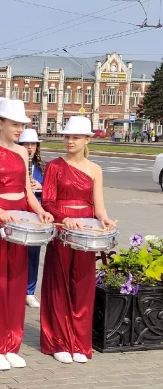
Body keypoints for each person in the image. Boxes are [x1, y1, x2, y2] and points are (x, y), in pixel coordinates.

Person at [0, 99, 54, 371]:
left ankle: (11, 342)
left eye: (22, 125)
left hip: (20, 220)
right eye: (15, 124)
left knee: (16, 283)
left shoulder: (21, 153)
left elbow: (27, 191)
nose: (20, 129)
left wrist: (40, 211)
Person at [40, 116, 116, 364]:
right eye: (67, 136)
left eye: (75, 137)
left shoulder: (95, 169)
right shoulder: (54, 166)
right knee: (59, 283)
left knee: (82, 285)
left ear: (87, 140)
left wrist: (105, 220)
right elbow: (48, 202)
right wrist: (64, 217)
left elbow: (99, 206)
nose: (69, 141)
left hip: (86, 231)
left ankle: (80, 343)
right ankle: (59, 341)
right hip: (63, 229)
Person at [17, 129, 46, 309]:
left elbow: (52, 192)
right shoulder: (13, 163)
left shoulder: (43, 167)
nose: (29, 148)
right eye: (26, 144)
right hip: (19, 213)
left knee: (33, 254)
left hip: (36, 215)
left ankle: (29, 291)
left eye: (32, 144)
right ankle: (16, 290)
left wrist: (42, 187)